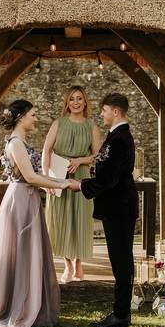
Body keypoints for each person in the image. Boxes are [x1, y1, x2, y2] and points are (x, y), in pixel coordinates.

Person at [0, 100, 72, 327]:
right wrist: (64, 183)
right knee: (21, 253)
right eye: (33, 114)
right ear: (21, 117)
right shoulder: (16, 144)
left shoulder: (20, 142)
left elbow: (33, 177)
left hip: (27, 198)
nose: (36, 118)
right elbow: (30, 178)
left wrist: (52, 183)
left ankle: (29, 304)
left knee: (28, 252)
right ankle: (20, 308)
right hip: (21, 200)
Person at [66, 92, 138, 327]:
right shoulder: (116, 136)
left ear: (115, 112)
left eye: (105, 110)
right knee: (120, 259)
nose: (102, 114)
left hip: (119, 206)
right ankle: (121, 312)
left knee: (121, 261)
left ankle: (121, 314)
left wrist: (82, 185)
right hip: (116, 206)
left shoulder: (119, 139)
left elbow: (110, 178)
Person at [42, 85, 101, 283]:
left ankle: (78, 262)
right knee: (61, 219)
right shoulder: (58, 123)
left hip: (81, 176)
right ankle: (67, 265)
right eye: (72, 99)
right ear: (67, 103)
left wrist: (81, 161)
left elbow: (98, 156)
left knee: (80, 219)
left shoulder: (91, 125)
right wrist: (46, 177)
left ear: (85, 102)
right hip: (58, 174)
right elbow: (46, 151)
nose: (76, 102)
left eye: (79, 99)